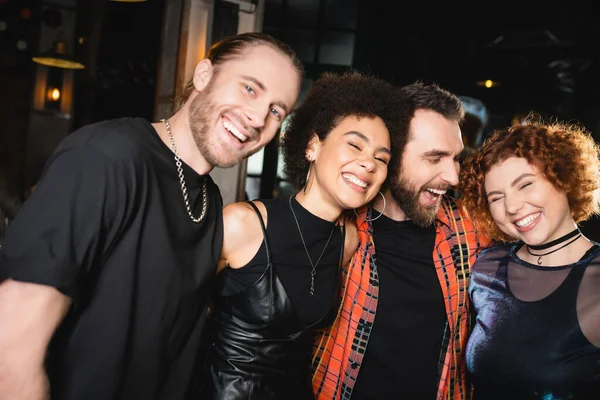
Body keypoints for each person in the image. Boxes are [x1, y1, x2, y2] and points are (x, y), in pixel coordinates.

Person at [0, 32, 303, 400]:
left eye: (276, 111)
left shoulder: (209, 200)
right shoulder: (107, 158)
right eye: (250, 88)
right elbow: (11, 351)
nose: (258, 118)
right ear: (205, 75)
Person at [200, 71, 406, 399]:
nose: (368, 164)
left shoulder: (348, 242)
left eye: (381, 159)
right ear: (312, 145)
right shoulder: (243, 224)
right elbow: (176, 321)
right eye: (355, 145)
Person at [312, 81, 491, 400]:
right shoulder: (338, 226)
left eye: (456, 158)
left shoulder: (472, 232)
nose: (453, 176)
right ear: (391, 155)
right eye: (435, 158)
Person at [459, 119, 600, 399]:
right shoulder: (486, 267)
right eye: (496, 198)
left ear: (564, 176)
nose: (511, 206)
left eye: (525, 185)